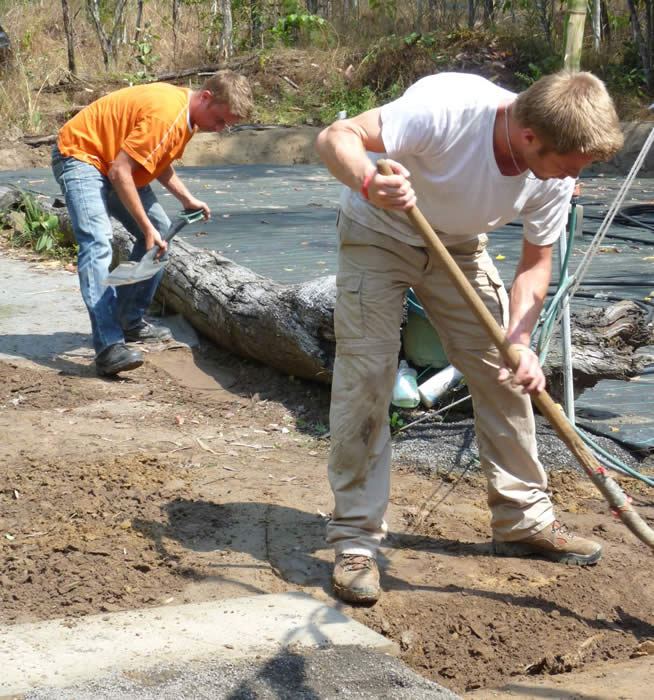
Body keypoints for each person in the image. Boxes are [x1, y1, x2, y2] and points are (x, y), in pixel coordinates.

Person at [315, 70, 624, 604]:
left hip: (459, 247)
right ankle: (355, 540)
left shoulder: (551, 176)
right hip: (378, 231)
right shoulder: (448, 110)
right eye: (572, 162)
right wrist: (369, 181)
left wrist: (521, 339)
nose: (578, 174)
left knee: (507, 373)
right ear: (530, 137)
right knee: (368, 377)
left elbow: (535, 264)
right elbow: (334, 137)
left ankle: (523, 519)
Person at [52, 70, 253, 376]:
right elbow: (121, 171)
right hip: (83, 156)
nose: (221, 129)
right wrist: (145, 227)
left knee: (162, 238)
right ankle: (108, 346)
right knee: (98, 242)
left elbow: (157, 159)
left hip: (114, 163)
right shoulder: (167, 114)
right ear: (207, 97)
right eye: (221, 121)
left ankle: (126, 321)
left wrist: (187, 198)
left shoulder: (188, 117)